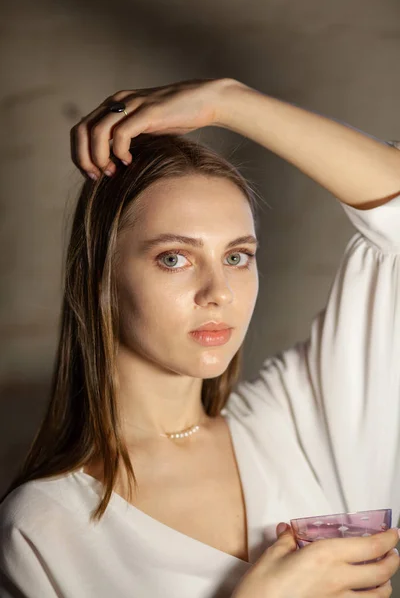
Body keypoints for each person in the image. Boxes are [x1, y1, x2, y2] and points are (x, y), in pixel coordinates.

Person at [0, 77, 400, 597]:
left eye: (237, 257)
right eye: (174, 258)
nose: (218, 292)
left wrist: (229, 101)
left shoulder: (296, 420)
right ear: (103, 275)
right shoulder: (40, 529)